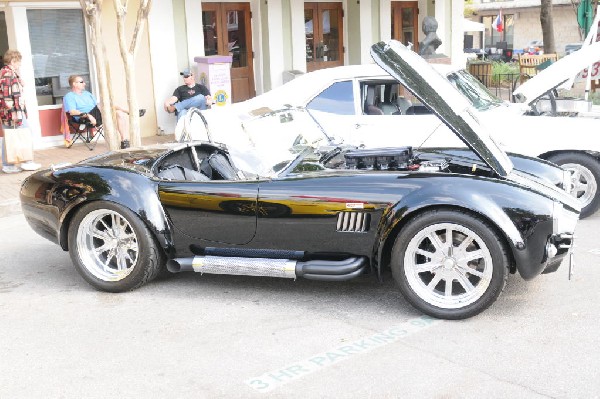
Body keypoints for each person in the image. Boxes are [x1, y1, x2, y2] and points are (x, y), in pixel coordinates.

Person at [63, 75, 132, 149]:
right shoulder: (69, 96)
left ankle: (124, 141)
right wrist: (88, 115)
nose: (84, 84)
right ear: (74, 84)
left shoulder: (87, 94)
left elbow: (97, 106)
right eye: (81, 82)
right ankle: (129, 112)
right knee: (103, 104)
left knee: (119, 113)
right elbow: (72, 112)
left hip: (97, 115)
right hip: (84, 118)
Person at [0, 49, 41, 173]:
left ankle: (8, 165)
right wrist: (14, 112)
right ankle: (26, 162)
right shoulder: (8, 73)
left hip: (10, 112)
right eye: (18, 62)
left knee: (9, 138)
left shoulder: (8, 72)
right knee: (24, 134)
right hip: (13, 112)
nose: (20, 64)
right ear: (13, 61)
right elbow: (7, 96)